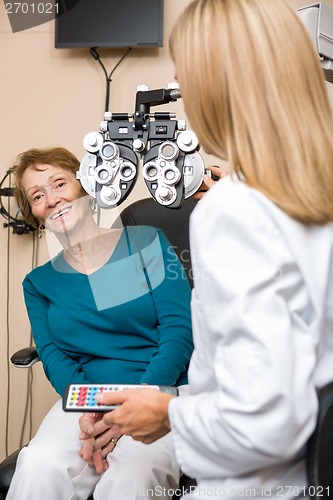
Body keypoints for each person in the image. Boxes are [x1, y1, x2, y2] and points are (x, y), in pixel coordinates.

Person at [79, 0, 333, 499]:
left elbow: (258, 412)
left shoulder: (222, 216)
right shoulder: (307, 197)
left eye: (184, 79)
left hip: (254, 472)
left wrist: (164, 411)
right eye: (39, 194)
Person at [7, 146, 193, 500]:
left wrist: (137, 402)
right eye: (37, 195)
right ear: (34, 212)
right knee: (38, 466)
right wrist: (90, 410)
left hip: (160, 389)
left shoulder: (143, 242)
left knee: (131, 476)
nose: (52, 198)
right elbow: (54, 355)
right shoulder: (39, 282)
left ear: (85, 184)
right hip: (88, 397)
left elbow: (178, 329)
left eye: (59, 183)